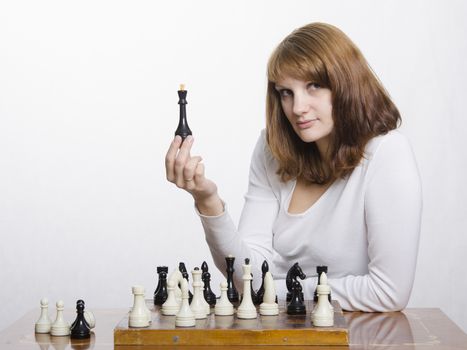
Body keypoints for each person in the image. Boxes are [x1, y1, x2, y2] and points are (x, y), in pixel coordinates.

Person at [165, 22, 422, 312]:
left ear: (348, 83)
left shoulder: (387, 153)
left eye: (314, 86)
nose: (298, 107)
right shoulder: (271, 151)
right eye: (286, 92)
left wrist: (288, 287)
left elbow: (389, 292)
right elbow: (247, 279)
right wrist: (207, 201)